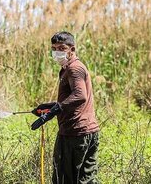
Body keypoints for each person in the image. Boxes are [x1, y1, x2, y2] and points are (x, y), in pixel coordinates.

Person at [31, 31, 100, 184]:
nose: (57, 52)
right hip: (86, 131)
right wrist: (50, 106)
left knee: (63, 179)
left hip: (74, 134)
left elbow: (80, 96)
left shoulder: (74, 69)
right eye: (54, 48)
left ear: (72, 50)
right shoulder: (68, 68)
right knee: (85, 181)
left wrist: (54, 111)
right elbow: (72, 98)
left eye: (61, 48)